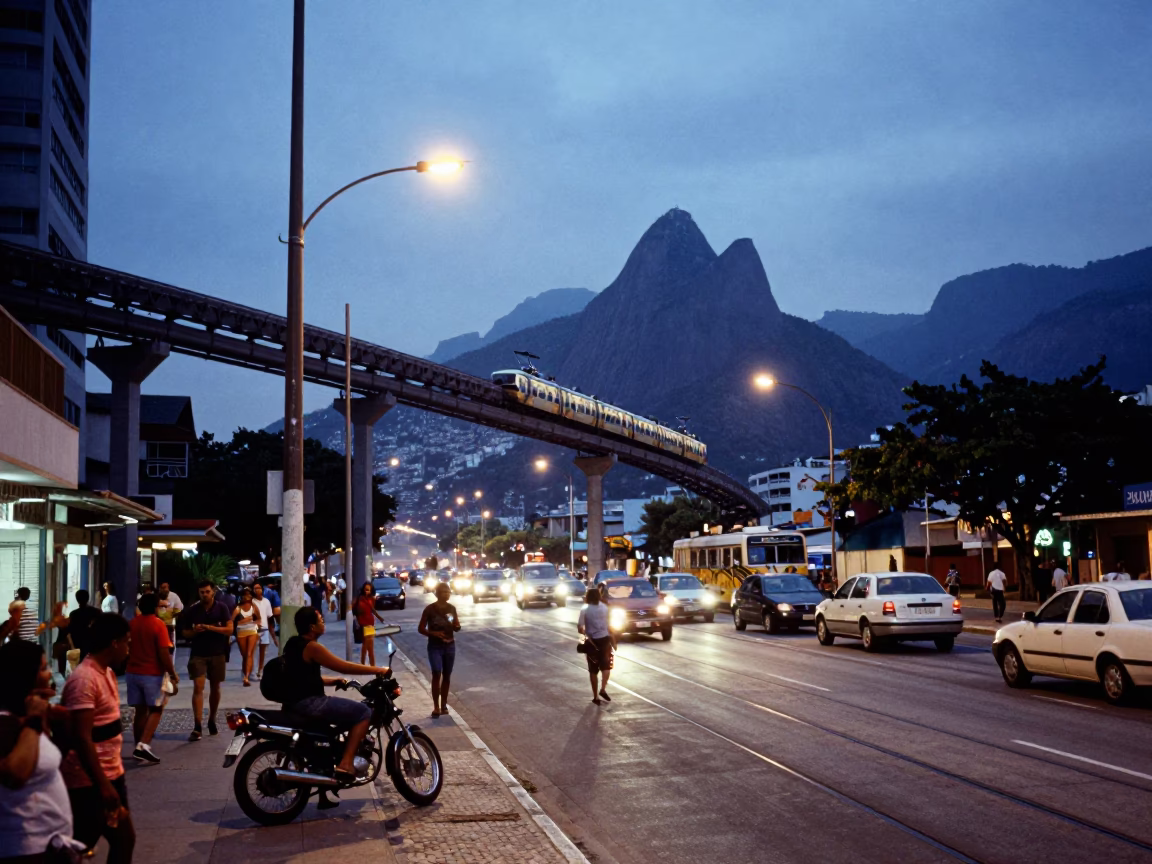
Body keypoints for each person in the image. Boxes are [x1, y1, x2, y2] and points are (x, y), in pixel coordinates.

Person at [60, 613, 135, 863]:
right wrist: (103, 785)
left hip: (110, 774)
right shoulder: (84, 679)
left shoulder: (107, 673)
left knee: (122, 838)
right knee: (82, 843)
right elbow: (82, 737)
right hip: (89, 782)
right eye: (127, 641)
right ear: (114, 643)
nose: (128, 647)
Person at [283, 606, 387, 785]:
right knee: (363, 712)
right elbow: (343, 666)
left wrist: (333, 681)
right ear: (312, 627)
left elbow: (303, 677)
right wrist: (378, 669)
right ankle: (346, 764)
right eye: (320, 620)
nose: (323, 622)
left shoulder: (292, 643)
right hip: (310, 703)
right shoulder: (313, 647)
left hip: (293, 702)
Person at [0, 639, 77, 861]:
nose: (49, 673)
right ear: (26, 676)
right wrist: (34, 719)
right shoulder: (6, 722)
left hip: (50, 844)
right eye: (43, 668)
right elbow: (16, 774)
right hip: (26, 849)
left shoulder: (28, 715)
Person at [126, 593, 178, 765]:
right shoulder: (158, 625)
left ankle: (137, 746)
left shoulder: (132, 623)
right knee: (156, 709)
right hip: (152, 673)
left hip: (133, 672)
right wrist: (172, 673)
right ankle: (143, 745)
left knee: (140, 711)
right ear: (155, 607)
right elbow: (164, 652)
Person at [179, 581, 232, 741]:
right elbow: (185, 633)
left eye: (207, 592)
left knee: (215, 687)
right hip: (198, 653)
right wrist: (194, 631)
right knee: (198, 687)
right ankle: (197, 725)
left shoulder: (222, 608)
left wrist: (210, 628)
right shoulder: (193, 610)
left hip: (217, 653)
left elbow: (229, 629)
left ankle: (212, 720)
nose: (205, 595)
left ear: (213, 592)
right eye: (202, 592)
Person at [417, 583, 460, 718]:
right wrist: (434, 634)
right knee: (436, 673)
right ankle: (436, 706)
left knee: (447, 675)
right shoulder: (430, 609)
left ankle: (444, 705)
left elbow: (455, 625)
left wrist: (456, 626)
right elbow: (421, 628)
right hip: (435, 646)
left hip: (450, 645)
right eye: (444, 592)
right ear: (437, 593)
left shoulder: (451, 609)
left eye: (448, 592)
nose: (447, 594)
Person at [577, 587, 614, 705]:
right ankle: (603, 689)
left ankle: (596, 697)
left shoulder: (585, 609)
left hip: (592, 642)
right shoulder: (605, 607)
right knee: (606, 667)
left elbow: (580, 627)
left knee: (593, 670)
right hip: (605, 639)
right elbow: (609, 624)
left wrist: (585, 633)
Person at [232, 588, 261, 687]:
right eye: (245, 595)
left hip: (252, 631)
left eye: (248, 595)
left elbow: (259, 619)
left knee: (249, 654)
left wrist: (253, 623)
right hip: (241, 632)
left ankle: (247, 677)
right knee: (245, 655)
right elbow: (231, 622)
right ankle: (245, 673)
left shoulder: (254, 607)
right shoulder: (238, 608)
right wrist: (242, 622)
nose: (246, 597)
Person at [354, 582, 386, 666]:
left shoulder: (372, 599)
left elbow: (372, 610)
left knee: (367, 646)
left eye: (368, 590)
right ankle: (369, 665)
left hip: (370, 623)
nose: (366, 591)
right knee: (367, 647)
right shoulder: (359, 599)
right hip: (363, 623)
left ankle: (365, 664)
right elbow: (355, 610)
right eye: (365, 589)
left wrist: (379, 618)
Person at [36, 601, 71, 676]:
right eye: (65, 607)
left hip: (59, 644)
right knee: (63, 665)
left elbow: (41, 629)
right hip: (64, 644)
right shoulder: (63, 620)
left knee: (61, 665)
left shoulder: (56, 620)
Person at [252, 583, 277, 680]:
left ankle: (260, 671)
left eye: (258, 588)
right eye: (255, 588)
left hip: (265, 629)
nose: (256, 590)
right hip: (254, 630)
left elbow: (270, 618)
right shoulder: (251, 602)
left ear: (262, 589)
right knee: (253, 652)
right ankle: (252, 672)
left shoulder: (266, 601)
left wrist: (273, 636)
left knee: (263, 652)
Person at [67, 590, 101, 663]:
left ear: (77, 599)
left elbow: (70, 631)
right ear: (88, 598)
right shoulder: (96, 612)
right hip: (93, 644)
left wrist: (72, 646)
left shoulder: (73, 614)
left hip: (78, 645)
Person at [156, 582, 183, 651]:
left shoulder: (174, 596)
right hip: (158, 626)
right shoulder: (156, 597)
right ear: (159, 588)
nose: (165, 589)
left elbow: (179, 609)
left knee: (170, 646)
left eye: (166, 587)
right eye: (163, 587)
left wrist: (172, 617)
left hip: (169, 626)